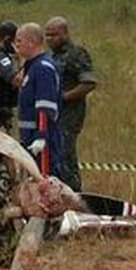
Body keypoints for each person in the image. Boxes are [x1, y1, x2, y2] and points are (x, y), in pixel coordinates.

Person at [44, 16, 96, 191]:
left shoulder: (76, 54)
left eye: (54, 35)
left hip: (69, 115)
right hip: (50, 114)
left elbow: (88, 83)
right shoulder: (49, 56)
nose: (50, 39)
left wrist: (64, 97)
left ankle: (75, 194)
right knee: (50, 157)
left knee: (65, 156)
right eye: (47, 35)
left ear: (65, 33)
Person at [13, 23, 64, 181]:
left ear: (31, 42)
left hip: (41, 139)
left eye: (19, 40)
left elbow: (44, 106)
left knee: (44, 183)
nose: (17, 45)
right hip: (28, 136)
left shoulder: (43, 68)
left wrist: (41, 136)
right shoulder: (32, 67)